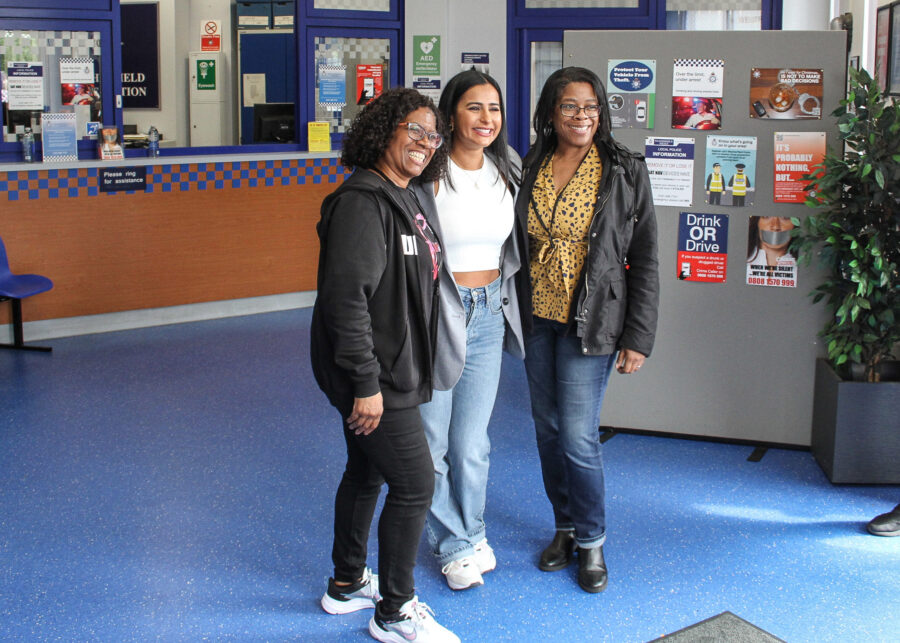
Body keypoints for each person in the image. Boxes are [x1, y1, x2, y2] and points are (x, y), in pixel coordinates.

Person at [310, 87, 460, 643]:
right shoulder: (361, 203)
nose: (425, 143)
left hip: (393, 367)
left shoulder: (409, 194)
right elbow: (346, 302)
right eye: (413, 131)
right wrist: (365, 385)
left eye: (432, 134)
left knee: (367, 470)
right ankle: (395, 611)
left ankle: (347, 584)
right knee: (416, 483)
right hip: (375, 376)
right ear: (384, 133)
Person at [514, 67, 659, 594]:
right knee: (547, 432)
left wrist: (638, 337)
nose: (582, 116)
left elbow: (644, 258)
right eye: (570, 106)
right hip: (535, 317)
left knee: (578, 435)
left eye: (591, 107)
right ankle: (565, 527)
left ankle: (593, 542)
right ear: (551, 112)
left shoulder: (623, 169)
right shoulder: (529, 163)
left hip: (590, 322)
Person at [412, 70, 524, 591]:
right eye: (474, 108)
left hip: (489, 313)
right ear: (451, 112)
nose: (486, 119)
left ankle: (471, 531)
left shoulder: (508, 167)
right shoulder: (428, 173)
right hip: (439, 312)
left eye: (494, 109)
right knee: (431, 440)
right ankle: (452, 542)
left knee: (472, 442)